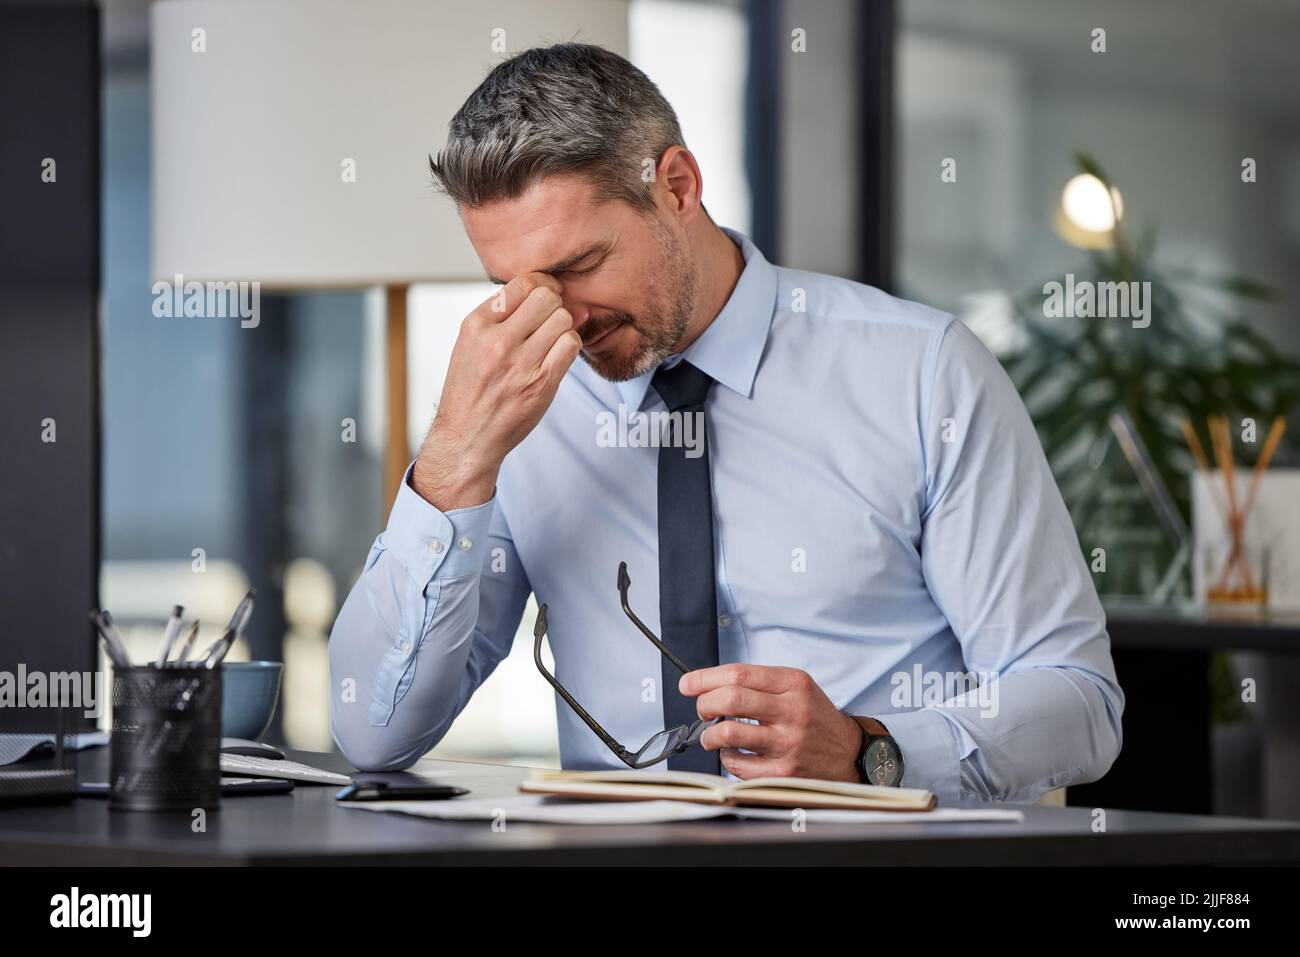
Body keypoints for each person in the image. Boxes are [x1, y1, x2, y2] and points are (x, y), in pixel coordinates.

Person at [328, 43, 1123, 803]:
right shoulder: (517, 413)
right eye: (516, 287)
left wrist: (869, 750)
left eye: (580, 266)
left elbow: (1078, 703)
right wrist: (455, 457)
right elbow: (373, 732)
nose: (561, 318)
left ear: (677, 186)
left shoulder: (923, 373)